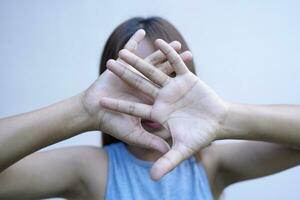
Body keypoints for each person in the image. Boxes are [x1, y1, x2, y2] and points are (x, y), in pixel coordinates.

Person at [0, 17, 299, 200]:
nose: (156, 101)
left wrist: (225, 117)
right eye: (134, 83)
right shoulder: (91, 170)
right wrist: (83, 110)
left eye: (167, 80)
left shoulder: (209, 166)